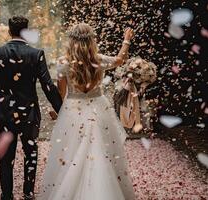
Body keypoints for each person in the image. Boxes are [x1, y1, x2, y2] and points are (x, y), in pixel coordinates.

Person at [39, 23, 135, 200]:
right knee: (101, 149)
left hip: (72, 110)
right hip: (99, 108)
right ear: (91, 40)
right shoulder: (98, 59)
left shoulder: (62, 62)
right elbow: (120, 60)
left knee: (71, 152)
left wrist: (56, 112)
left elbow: (61, 93)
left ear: (71, 40)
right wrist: (126, 40)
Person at [0, 16, 62, 200]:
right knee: (30, 153)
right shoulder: (36, 53)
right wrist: (61, 109)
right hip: (29, 113)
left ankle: (6, 196)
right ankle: (28, 193)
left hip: (4, 114)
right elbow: (48, 85)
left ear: (9, 31)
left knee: (6, 158)